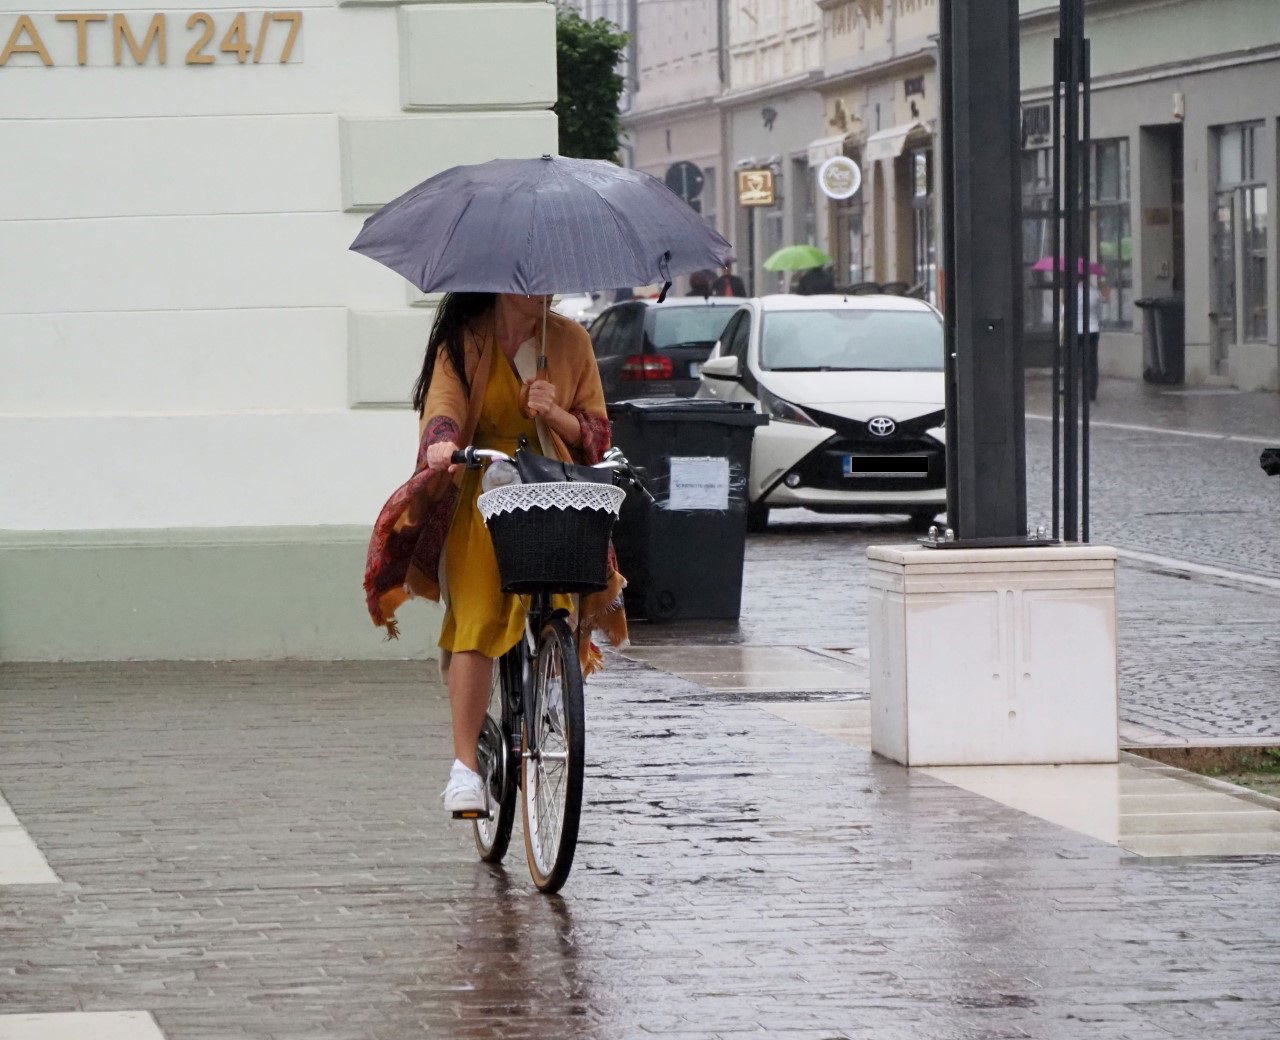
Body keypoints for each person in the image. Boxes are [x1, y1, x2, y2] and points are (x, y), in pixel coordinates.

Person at [363, 293, 627, 816]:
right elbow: (443, 410)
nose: (542, 290)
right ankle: (465, 768)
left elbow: (596, 434)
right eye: (530, 281)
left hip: (551, 485)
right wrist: (442, 444)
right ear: (502, 283)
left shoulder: (570, 341)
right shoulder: (465, 340)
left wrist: (555, 413)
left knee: (562, 594)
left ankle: (550, 686)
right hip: (483, 490)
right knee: (478, 615)